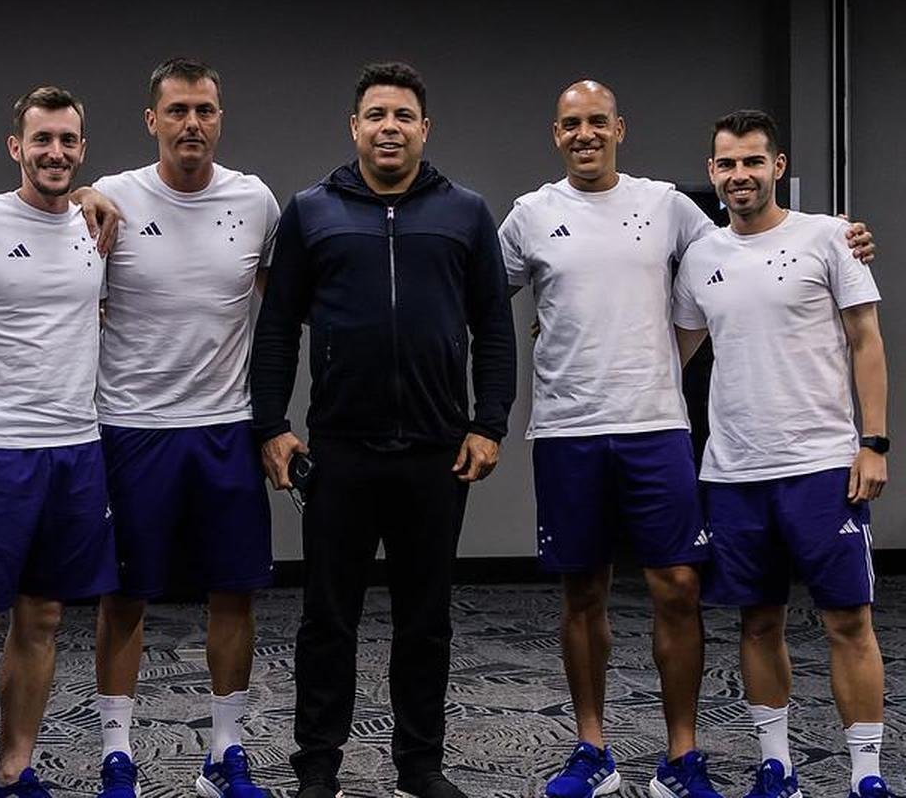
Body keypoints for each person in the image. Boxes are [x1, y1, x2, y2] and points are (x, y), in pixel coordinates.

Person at [496, 80, 876, 798]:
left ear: (619, 128)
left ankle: (681, 757)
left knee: (676, 587)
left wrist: (846, 239)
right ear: (555, 134)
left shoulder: (666, 206)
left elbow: (753, 244)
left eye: (597, 122)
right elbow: (478, 298)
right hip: (567, 429)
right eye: (571, 124)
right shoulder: (529, 216)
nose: (585, 134)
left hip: (657, 428)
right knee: (583, 592)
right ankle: (591, 750)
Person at [251, 61, 516, 798]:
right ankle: (318, 769)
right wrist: (270, 423)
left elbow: (494, 327)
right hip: (339, 450)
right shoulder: (311, 211)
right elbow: (277, 329)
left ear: (423, 129)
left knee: (424, 621)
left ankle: (419, 766)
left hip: (436, 452)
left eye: (402, 115)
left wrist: (488, 423)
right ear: (355, 126)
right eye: (376, 114)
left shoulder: (464, 212)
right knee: (326, 620)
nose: (389, 127)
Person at [673, 110, 893, 798]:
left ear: (776, 166)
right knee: (757, 619)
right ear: (712, 173)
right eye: (726, 164)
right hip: (733, 472)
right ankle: (778, 768)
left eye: (751, 162)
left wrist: (873, 443)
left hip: (822, 465)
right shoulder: (699, 257)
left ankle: (865, 774)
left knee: (847, 620)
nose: (739, 175)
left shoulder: (828, 237)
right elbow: (669, 352)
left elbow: (866, 342)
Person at [82, 58, 280, 798]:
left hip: (225, 427)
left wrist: (277, 420)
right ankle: (115, 751)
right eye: (177, 111)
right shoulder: (110, 199)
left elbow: (281, 315)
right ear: (152, 121)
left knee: (234, 592)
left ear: (218, 119)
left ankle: (224, 752)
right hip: (131, 427)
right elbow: (61, 295)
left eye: (203, 110)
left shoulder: (254, 200)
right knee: (124, 597)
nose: (191, 123)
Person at [0, 86, 117, 798]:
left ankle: (14, 768)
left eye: (69, 141)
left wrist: (97, 193)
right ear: (17, 147)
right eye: (42, 140)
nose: (56, 153)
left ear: (81, 148)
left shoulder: (97, 224)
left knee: (42, 617)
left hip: (75, 446)